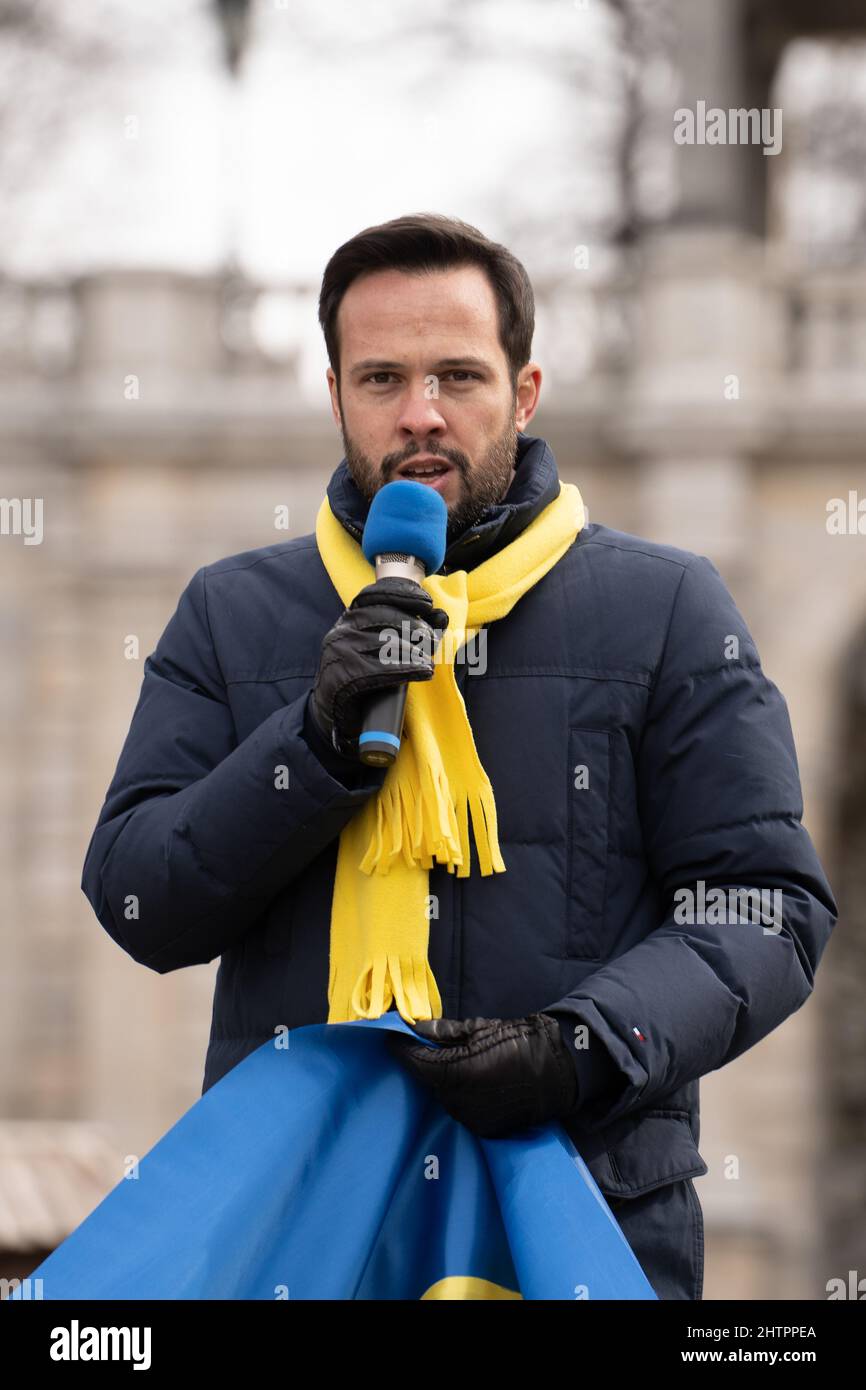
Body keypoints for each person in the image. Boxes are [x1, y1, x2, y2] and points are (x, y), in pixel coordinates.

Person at [81, 212, 838, 1301]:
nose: (420, 415)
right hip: (296, 1223)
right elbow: (140, 900)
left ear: (524, 393)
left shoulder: (664, 607)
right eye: (380, 378)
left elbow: (766, 905)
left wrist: (581, 1047)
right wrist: (312, 744)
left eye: (458, 376)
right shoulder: (230, 612)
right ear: (335, 391)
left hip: (579, 1214)